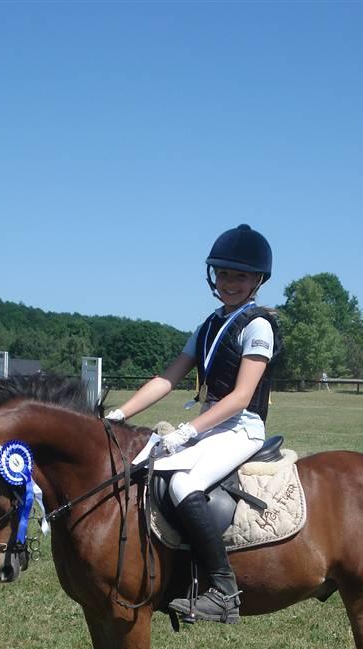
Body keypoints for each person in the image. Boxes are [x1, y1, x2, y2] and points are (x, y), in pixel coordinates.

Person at [105, 224, 280, 622]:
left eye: (239, 276)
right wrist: (120, 414)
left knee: (184, 483)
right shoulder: (207, 326)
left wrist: (189, 431)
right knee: (142, 467)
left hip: (242, 426)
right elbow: (168, 379)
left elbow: (240, 396)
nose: (229, 282)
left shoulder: (258, 326)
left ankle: (223, 589)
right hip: (211, 424)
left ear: (257, 280)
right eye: (223, 274)